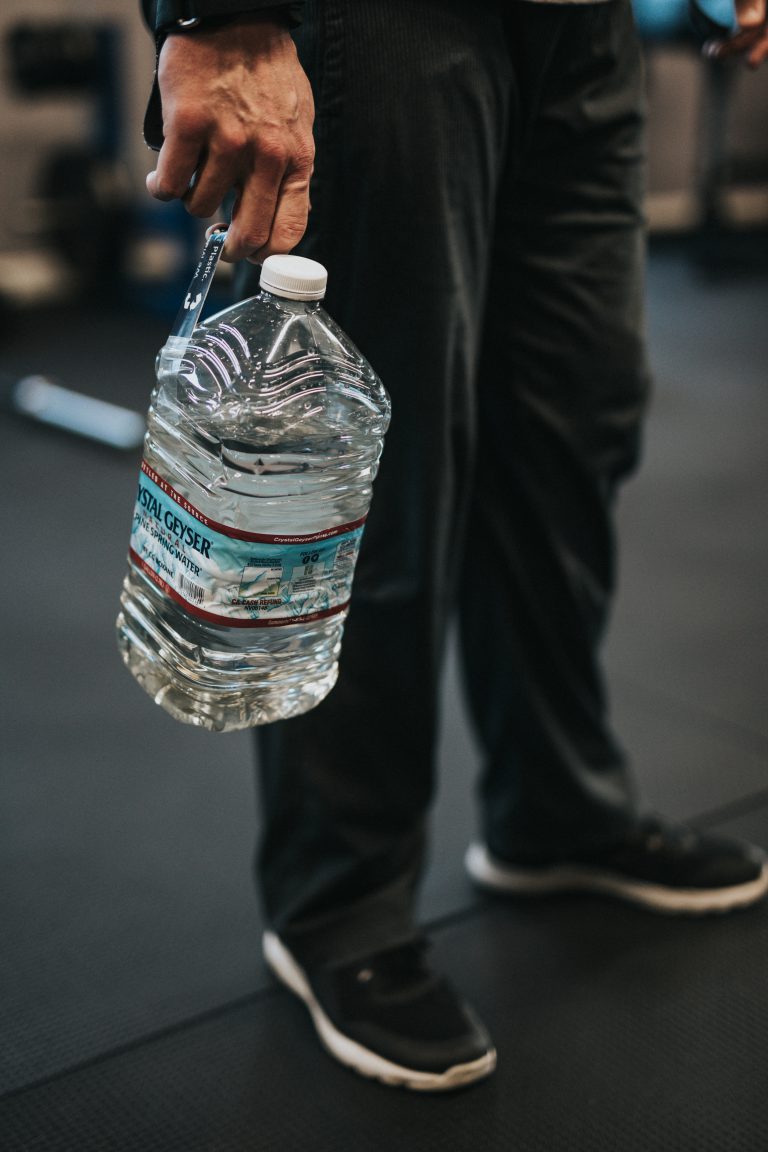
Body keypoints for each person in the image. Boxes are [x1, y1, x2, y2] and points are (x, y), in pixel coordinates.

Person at [140, 0, 768, 1091]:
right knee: (378, 476)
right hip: (384, 22)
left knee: (573, 429)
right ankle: (337, 902)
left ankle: (554, 807)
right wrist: (215, 14)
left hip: (584, 28)